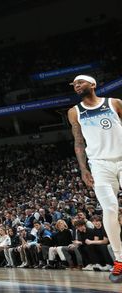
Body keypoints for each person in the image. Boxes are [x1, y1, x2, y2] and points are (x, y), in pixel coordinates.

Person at [67, 74, 122, 282]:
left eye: (80, 82)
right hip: (99, 165)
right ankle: (119, 260)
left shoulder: (114, 103)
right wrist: (83, 168)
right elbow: (78, 142)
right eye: (74, 85)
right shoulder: (74, 112)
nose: (77, 86)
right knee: (109, 209)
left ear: (93, 84)